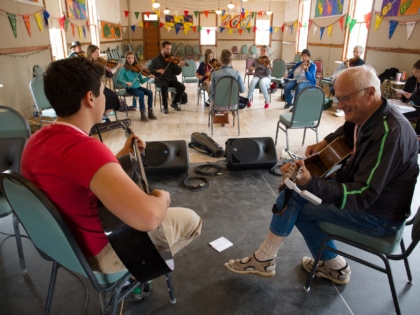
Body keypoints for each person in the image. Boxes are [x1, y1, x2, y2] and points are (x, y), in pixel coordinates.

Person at [21, 57, 202, 299]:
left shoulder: (36, 140)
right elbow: (148, 218)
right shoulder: (85, 149)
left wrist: (122, 155)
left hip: (59, 248)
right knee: (192, 221)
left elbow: (77, 176)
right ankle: (134, 275)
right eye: (103, 90)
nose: (106, 95)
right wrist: (162, 198)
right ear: (90, 98)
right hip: (97, 256)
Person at [224, 65, 418, 286]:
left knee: (301, 206)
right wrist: (326, 142)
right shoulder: (370, 114)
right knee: (297, 193)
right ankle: (280, 260)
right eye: (337, 97)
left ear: (371, 93)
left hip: (378, 217)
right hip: (373, 200)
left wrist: (310, 182)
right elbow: (347, 130)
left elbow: (364, 194)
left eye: (345, 98)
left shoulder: (389, 134)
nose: (339, 104)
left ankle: (310, 262)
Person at [148, 41, 186, 114]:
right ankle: (165, 107)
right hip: (160, 79)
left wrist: (180, 66)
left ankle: (174, 103)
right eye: (167, 49)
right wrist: (157, 71)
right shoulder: (156, 59)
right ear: (162, 48)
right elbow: (149, 70)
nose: (169, 51)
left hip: (171, 79)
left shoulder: (172, 59)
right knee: (164, 86)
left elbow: (177, 72)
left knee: (182, 87)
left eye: (170, 49)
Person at [86, 44, 122, 122]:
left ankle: (104, 116)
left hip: (101, 86)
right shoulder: (86, 65)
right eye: (96, 52)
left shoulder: (100, 63)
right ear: (90, 53)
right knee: (100, 99)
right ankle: (96, 117)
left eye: (98, 52)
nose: (98, 54)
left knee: (113, 97)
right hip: (91, 88)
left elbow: (109, 74)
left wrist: (116, 67)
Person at [118, 51, 156, 122]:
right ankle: (142, 113)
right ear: (126, 59)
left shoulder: (137, 68)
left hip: (138, 87)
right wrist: (126, 82)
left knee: (150, 92)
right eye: (128, 58)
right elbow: (118, 80)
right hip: (130, 88)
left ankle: (150, 112)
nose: (130, 60)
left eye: (132, 58)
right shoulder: (124, 68)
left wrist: (148, 77)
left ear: (134, 58)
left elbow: (141, 81)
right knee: (141, 93)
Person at [330, 45, 366, 116]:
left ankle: (343, 109)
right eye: (354, 51)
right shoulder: (351, 60)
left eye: (356, 52)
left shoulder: (361, 62)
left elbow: (353, 74)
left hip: (354, 83)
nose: (355, 53)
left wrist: (347, 66)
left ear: (361, 53)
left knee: (343, 92)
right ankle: (340, 105)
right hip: (346, 81)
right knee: (333, 89)